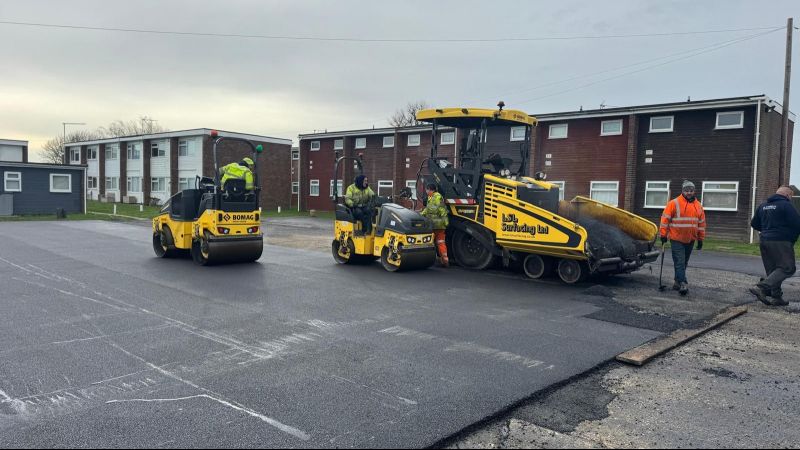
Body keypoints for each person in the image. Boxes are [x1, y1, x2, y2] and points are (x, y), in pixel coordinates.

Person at [748, 186, 800, 306]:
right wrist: (791, 236)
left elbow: (754, 223)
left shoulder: (763, 205)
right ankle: (761, 287)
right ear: (787, 195)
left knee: (773, 271)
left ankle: (776, 297)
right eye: (790, 196)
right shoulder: (786, 205)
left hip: (764, 240)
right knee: (787, 268)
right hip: (781, 241)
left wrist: (767, 231)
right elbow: (797, 223)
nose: (790, 199)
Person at [659, 180, 706, 295]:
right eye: (686, 190)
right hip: (676, 239)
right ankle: (683, 283)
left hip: (690, 239)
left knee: (684, 262)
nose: (689, 192)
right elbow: (665, 220)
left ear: (694, 191)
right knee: (680, 262)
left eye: (691, 190)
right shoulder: (673, 203)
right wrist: (663, 235)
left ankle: (677, 283)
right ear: (682, 191)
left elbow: (701, 224)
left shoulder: (698, 205)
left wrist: (700, 239)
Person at [420, 183, 449, 267]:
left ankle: (430, 260)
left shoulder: (436, 197)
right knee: (441, 242)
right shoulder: (433, 197)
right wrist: (445, 222)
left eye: (427, 190)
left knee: (429, 242)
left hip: (434, 225)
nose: (426, 191)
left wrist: (420, 215)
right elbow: (430, 209)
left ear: (431, 190)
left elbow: (441, 209)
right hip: (440, 225)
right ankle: (444, 260)